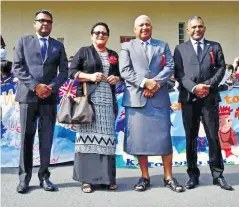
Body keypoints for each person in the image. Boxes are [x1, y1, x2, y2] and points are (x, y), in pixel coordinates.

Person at [119, 15, 184, 193]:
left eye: (147, 24)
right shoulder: (126, 46)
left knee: (164, 139)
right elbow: (124, 71)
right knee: (139, 140)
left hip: (159, 99)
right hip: (136, 101)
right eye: (140, 25)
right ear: (134, 29)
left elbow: (170, 67)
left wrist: (154, 84)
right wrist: (144, 83)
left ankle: (168, 176)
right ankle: (145, 176)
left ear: (152, 27)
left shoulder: (162, 45)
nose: (144, 27)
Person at [174, 16, 234, 191]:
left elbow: (222, 68)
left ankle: (218, 175)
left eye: (200, 27)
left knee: (213, 138)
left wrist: (208, 85)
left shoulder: (214, 46)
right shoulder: (179, 49)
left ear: (204, 29)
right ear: (188, 30)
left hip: (210, 98)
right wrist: (194, 88)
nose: (197, 30)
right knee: (190, 139)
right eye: (193, 27)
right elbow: (179, 73)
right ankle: (193, 175)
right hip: (189, 99)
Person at [13, 9, 68, 194]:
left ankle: (44, 176)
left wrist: (50, 87)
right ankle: (24, 178)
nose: (45, 24)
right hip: (28, 98)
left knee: (46, 140)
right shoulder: (23, 41)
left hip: (49, 99)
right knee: (26, 138)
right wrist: (36, 86)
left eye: (49, 21)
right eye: (41, 20)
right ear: (34, 23)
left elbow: (64, 72)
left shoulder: (58, 46)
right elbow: (17, 67)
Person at [68, 22, 121, 193]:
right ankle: (87, 180)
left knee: (107, 140)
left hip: (107, 102)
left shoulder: (113, 54)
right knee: (87, 140)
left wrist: (117, 79)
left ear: (108, 36)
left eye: (104, 33)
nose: (100, 35)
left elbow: (120, 74)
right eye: (97, 32)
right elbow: (72, 72)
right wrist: (89, 76)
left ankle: (107, 179)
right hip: (88, 102)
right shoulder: (84, 51)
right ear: (92, 35)